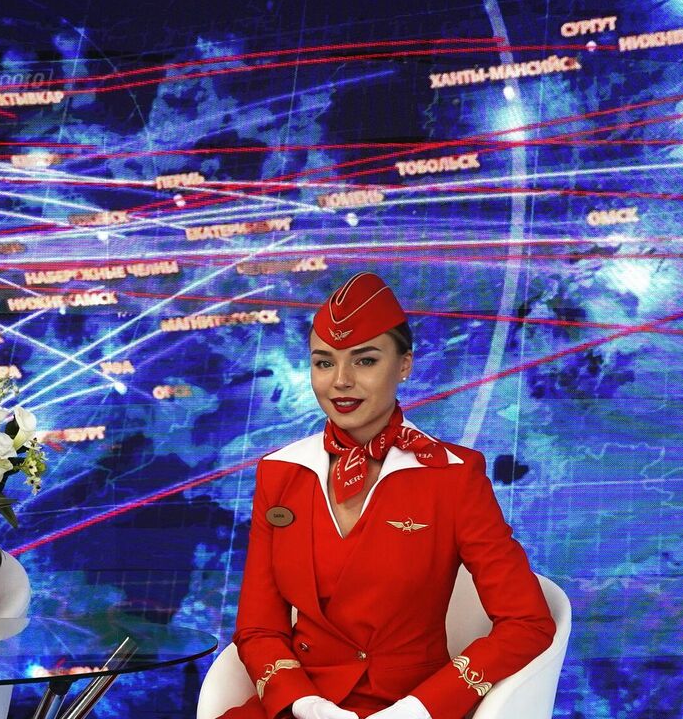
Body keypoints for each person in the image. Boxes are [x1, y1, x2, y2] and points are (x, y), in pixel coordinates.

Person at [223, 273, 555, 719]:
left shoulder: (454, 476)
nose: (340, 381)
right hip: (300, 705)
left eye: (364, 360)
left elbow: (528, 623)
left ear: (404, 365)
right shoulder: (279, 472)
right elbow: (259, 626)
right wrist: (304, 703)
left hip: (407, 705)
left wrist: (420, 708)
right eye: (324, 363)